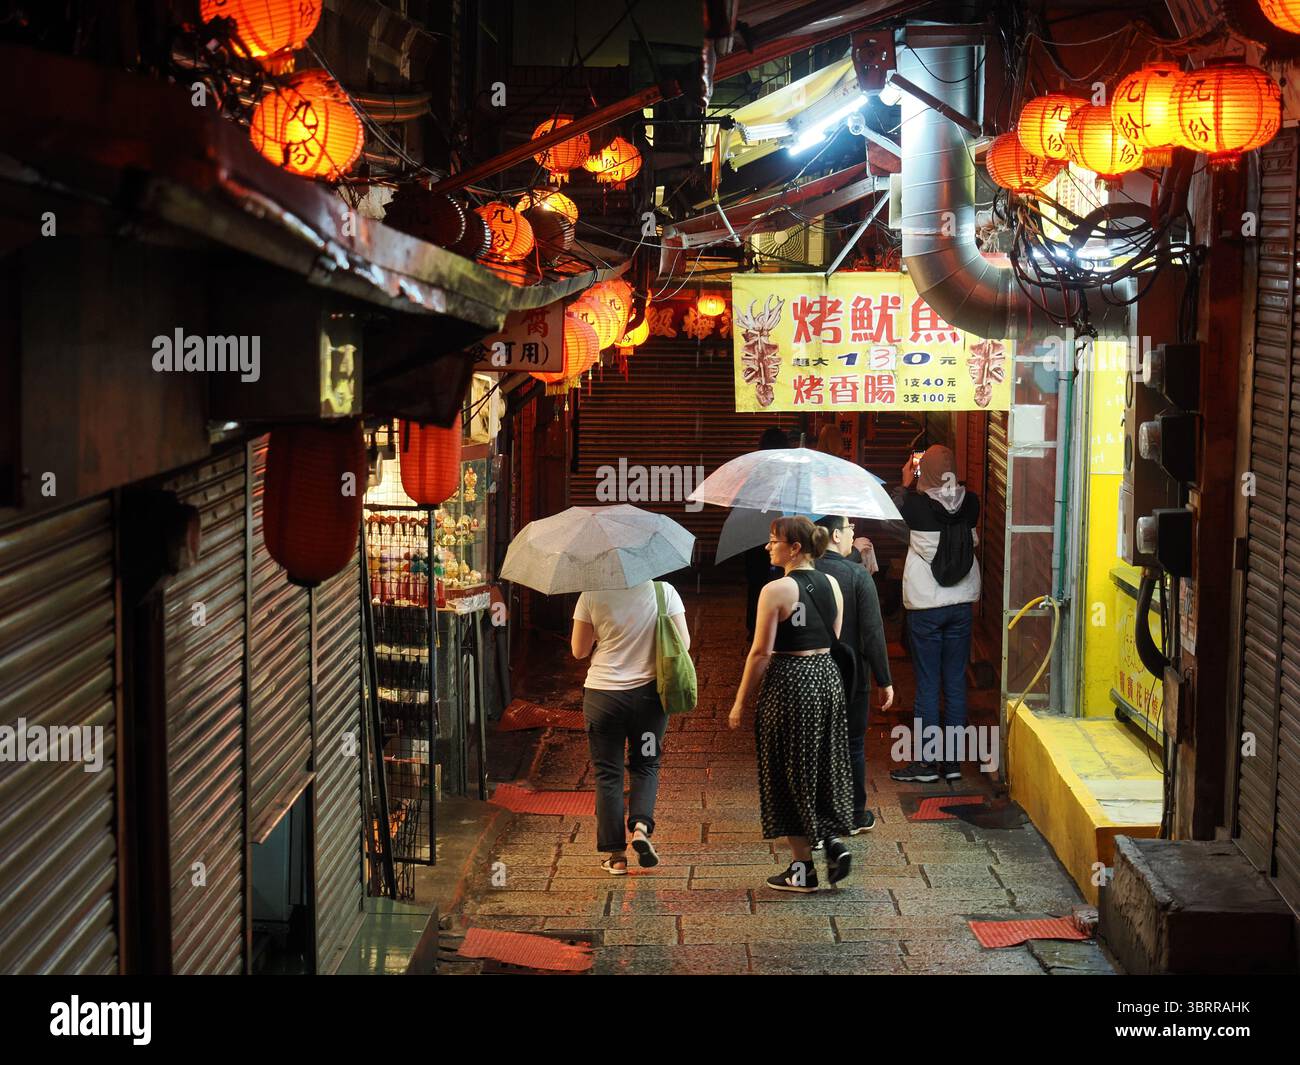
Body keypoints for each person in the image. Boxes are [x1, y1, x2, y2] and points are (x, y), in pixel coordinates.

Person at [729, 516, 855, 892]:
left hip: (790, 681)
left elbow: (760, 653)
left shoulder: (776, 590)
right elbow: (832, 637)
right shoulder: (833, 583)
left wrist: (739, 702)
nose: (768, 547)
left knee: (787, 772)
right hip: (826, 678)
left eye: (773, 541)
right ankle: (831, 840)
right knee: (823, 763)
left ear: (794, 547)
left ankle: (803, 871)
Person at [571, 579, 689, 874]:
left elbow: (579, 651)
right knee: (646, 764)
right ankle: (639, 827)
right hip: (649, 699)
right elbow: (683, 644)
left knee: (607, 773)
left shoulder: (591, 593)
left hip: (603, 698)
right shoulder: (665, 592)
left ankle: (616, 856)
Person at [890, 445, 981, 784]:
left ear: (923, 469)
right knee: (955, 681)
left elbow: (893, 521)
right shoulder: (971, 502)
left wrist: (906, 480)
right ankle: (953, 761)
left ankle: (927, 764)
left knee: (928, 683)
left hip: (926, 604)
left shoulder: (913, 505)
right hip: (961, 602)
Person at [814, 516, 894, 833]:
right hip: (852, 675)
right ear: (835, 535)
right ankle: (854, 814)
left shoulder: (800, 574)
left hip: (812, 674)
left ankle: (818, 812)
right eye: (850, 529)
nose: (853, 534)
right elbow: (873, 633)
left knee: (817, 744)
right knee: (853, 745)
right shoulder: (858, 576)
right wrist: (884, 679)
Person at [743, 427, 791, 637]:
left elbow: (744, 502)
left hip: (754, 536)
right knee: (783, 579)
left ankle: (755, 626)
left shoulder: (755, 471)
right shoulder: (789, 472)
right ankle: (779, 625)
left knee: (756, 583)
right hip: (782, 534)